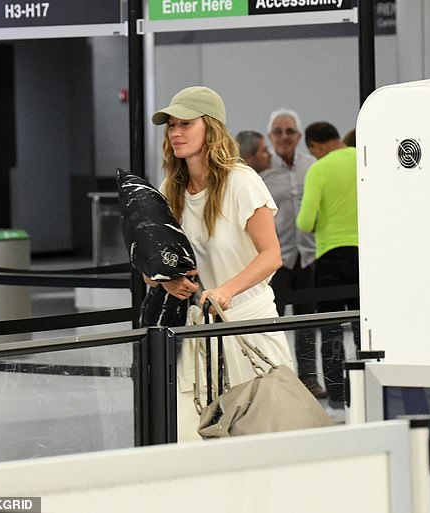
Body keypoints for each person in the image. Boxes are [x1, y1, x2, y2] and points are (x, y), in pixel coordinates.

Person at [149, 86, 294, 441]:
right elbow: (157, 261)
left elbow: (271, 255)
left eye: (185, 123)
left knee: (263, 435)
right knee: (190, 436)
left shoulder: (242, 182)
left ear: (210, 127)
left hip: (249, 325)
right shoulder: (172, 187)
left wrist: (226, 290)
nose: (176, 133)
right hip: (198, 330)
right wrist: (166, 281)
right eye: (171, 126)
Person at [260, 109, 325, 398]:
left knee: (307, 323)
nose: (284, 137)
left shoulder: (312, 166)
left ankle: (309, 380)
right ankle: (275, 383)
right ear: (270, 136)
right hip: (277, 259)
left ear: (299, 137)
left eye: (289, 132)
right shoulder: (261, 172)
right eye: (278, 131)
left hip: (309, 256)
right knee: (274, 324)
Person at [297, 121, 359, 409]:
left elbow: (305, 221)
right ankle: (366, 390)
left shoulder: (319, 169)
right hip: (364, 257)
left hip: (330, 258)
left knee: (331, 329)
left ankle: (336, 396)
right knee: (364, 327)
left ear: (314, 145)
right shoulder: (362, 158)